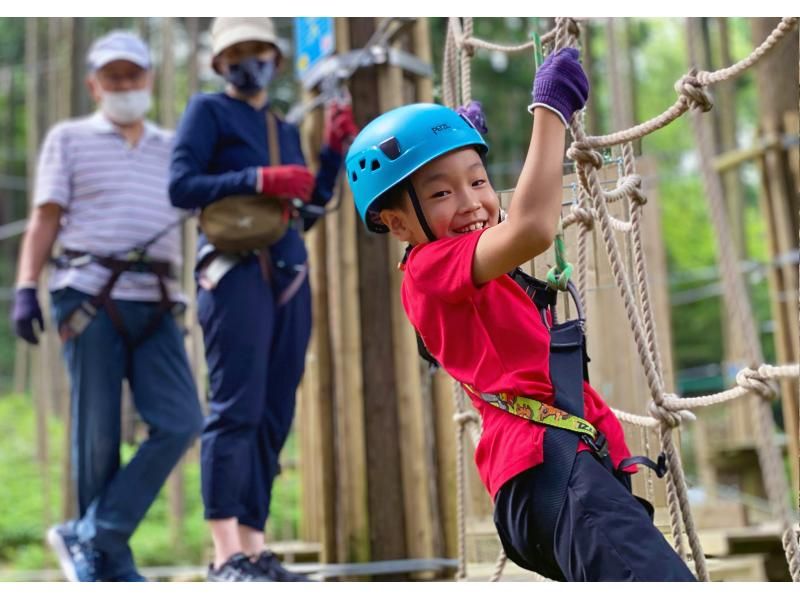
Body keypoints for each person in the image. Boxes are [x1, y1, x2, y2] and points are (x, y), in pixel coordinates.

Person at [345, 48, 696, 582]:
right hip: (551, 471)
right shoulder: (431, 267)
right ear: (397, 225)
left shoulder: (460, 259)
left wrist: (452, 144)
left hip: (563, 470)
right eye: (441, 193)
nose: (471, 202)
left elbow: (507, 216)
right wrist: (549, 110)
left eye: (479, 181)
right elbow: (532, 226)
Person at [10, 30, 204, 582]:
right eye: (112, 77)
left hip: (159, 300)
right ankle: (108, 563)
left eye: (132, 75)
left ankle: (91, 535)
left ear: (149, 79)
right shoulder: (69, 140)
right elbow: (46, 216)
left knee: (181, 420)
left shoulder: (174, 147)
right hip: (88, 295)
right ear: (95, 85)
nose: (123, 85)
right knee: (96, 433)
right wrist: (26, 286)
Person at [169, 17, 356, 582]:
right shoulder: (208, 112)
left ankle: (255, 549)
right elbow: (181, 187)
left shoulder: (279, 125)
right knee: (237, 410)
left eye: (259, 51)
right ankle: (226, 556)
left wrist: (331, 153)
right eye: (238, 52)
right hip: (233, 272)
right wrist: (256, 176)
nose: (250, 61)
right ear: (219, 62)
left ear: (275, 60)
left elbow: (309, 210)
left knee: (275, 412)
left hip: (287, 271)